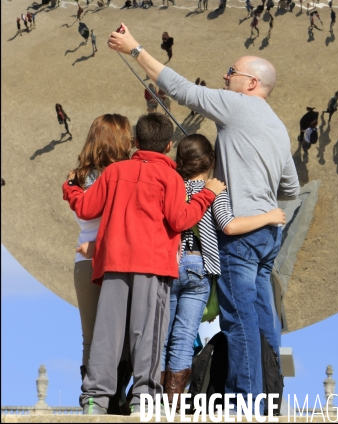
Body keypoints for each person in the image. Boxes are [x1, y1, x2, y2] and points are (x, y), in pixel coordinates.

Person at [107, 23, 300, 415]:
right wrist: (258, 195)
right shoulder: (278, 127)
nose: (225, 76)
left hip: (241, 237)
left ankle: (247, 404)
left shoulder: (237, 106)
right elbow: (292, 189)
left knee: (238, 320)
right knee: (265, 321)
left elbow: (181, 89)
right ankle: (270, 398)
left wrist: (134, 48)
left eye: (231, 72)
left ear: (250, 83)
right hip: (268, 235)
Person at [62, 113, 226, 415]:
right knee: (146, 332)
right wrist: (207, 195)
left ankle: (95, 400)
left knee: (106, 333)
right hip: (153, 265)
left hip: (113, 263)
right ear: (168, 146)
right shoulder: (171, 178)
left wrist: (70, 187)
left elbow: (85, 208)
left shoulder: (115, 172)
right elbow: (181, 220)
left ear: (136, 142)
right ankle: (143, 400)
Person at [161, 134, 286, 407]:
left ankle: (151, 397)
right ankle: (173, 401)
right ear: (211, 162)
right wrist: (269, 216)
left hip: (168, 266)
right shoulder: (214, 190)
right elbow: (229, 226)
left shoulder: (170, 186)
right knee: (183, 336)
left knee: (163, 335)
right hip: (199, 267)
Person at [68, 115, 132, 380]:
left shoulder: (77, 178)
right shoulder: (125, 176)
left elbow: (85, 216)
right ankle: (116, 398)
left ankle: (91, 400)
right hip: (118, 260)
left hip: (85, 262)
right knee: (126, 339)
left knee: (91, 339)